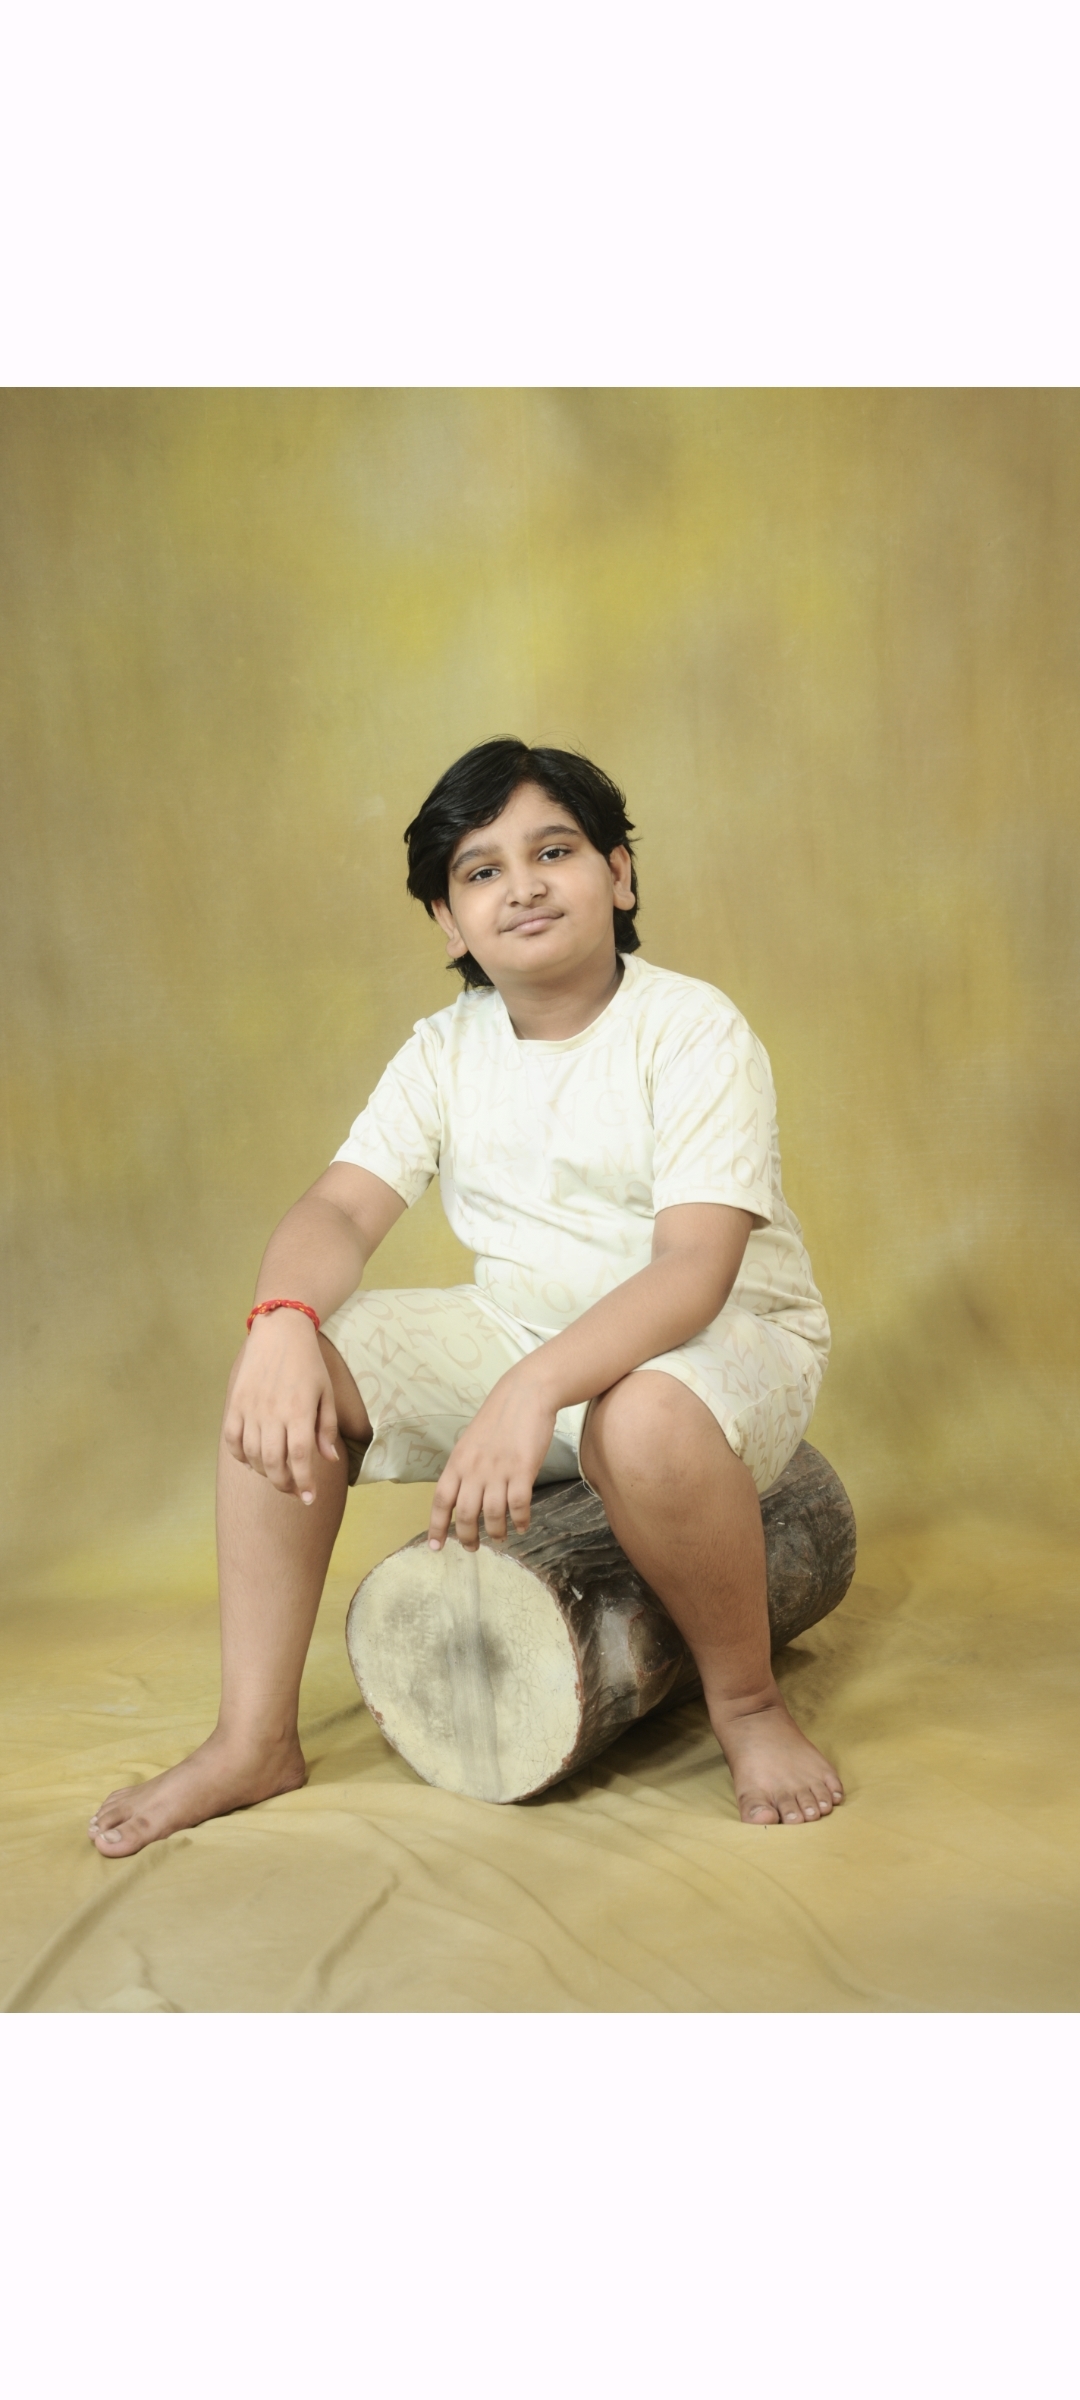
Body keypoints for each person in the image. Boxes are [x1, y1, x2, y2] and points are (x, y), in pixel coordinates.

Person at [90, 739, 843, 1855]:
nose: (523, 885)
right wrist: (280, 1322)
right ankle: (253, 1738)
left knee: (640, 1415)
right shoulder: (444, 1052)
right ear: (449, 922)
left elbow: (695, 1268)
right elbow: (339, 1212)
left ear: (620, 875)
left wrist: (531, 1390)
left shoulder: (691, 1028)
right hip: (523, 1331)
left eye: (555, 852)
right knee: (290, 1371)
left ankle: (749, 1706)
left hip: (718, 1346)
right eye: (482, 871)